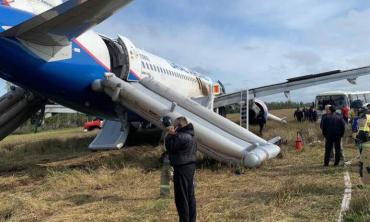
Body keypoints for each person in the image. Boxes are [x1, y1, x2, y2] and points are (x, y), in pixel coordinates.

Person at [165, 117, 197, 222]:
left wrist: (170, 134)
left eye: (174, 126)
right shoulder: (191, 135)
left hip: (182, 168)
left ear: (179, 126)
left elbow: (169, 146)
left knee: (181, 197)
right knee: (189, 196)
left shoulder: (181, 137)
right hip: (190, 167)